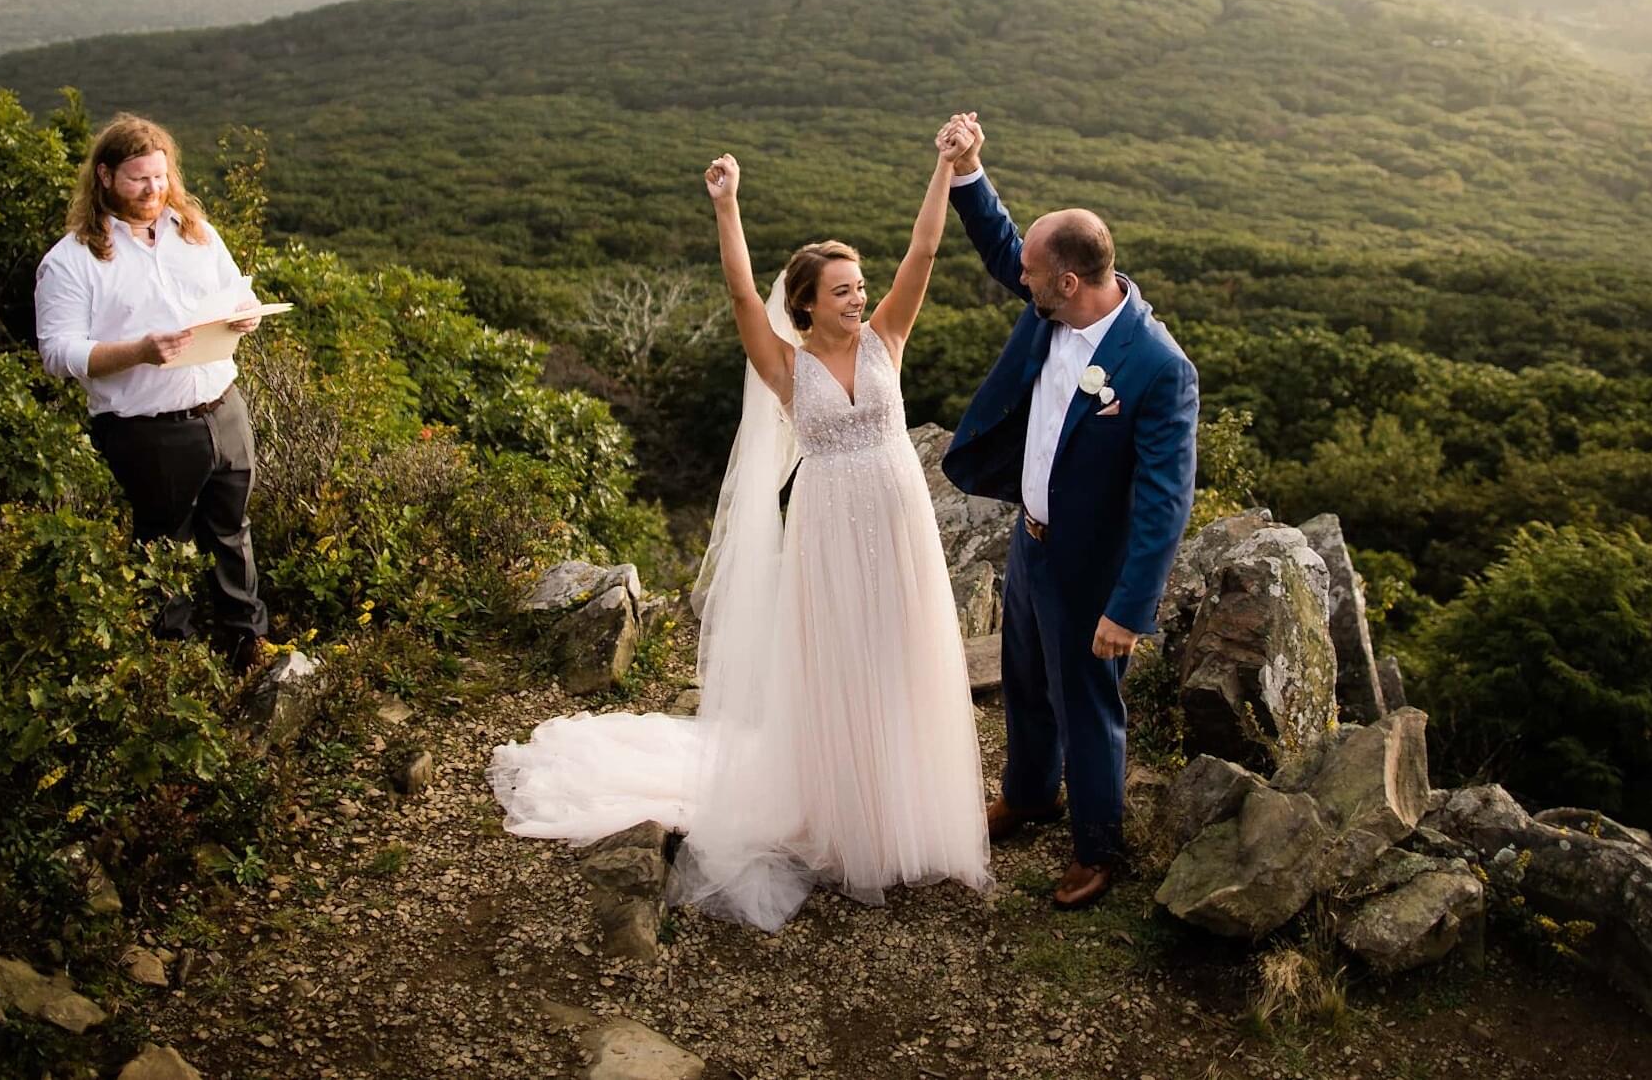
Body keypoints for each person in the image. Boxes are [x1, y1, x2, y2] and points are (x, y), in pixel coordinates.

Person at [488, 134, 991, 929]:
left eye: (860, 286)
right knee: (840, 671)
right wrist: (727, 206)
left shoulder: (887, 336)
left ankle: (905, 815)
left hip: (900, 529)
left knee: (901, 661)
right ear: (807, 303)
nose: (859, 299)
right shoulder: (786, 367)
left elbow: (924, 251)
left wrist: (947, 166)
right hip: (827, 534)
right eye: (842, 291)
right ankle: (841, 820)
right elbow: (740, 296)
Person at [937, 111, 1200, 909]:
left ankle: (1096, 847)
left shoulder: (1157, 369)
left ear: (1070, 282)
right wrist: (970, 169)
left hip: (1094, 567)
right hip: (1032, 542)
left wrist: (1130, 607)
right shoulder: (1051, 305)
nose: (1019, 277)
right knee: (1023, 679)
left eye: (1032, 272)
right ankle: (1028, 793)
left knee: (1088, 707)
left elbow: (1164, 500)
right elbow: (1002, 244)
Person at [34, 113, 271, 673]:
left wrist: (245, 316)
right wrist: (139, 350)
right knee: (165, 548)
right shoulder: (71, 260)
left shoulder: (196, 231)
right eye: (139, 179)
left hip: (223, 408)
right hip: (148, 429)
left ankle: (248, 649)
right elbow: (58, 354)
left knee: (233, 533)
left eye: (161, 177)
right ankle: (172, 669)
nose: (153, 190)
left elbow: (236, 292)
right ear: (106, 177)